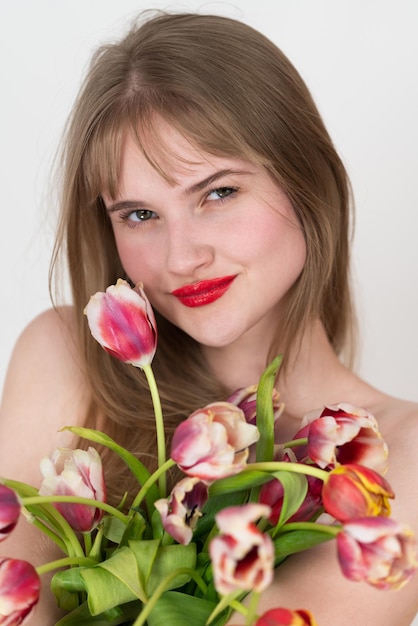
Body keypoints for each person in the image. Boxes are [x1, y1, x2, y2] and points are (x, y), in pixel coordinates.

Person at [0, 10, 417, 625]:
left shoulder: (399, 454)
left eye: (217, 193)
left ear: (309, 183)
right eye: (139, 214)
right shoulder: (68, 358)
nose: (182, 257)